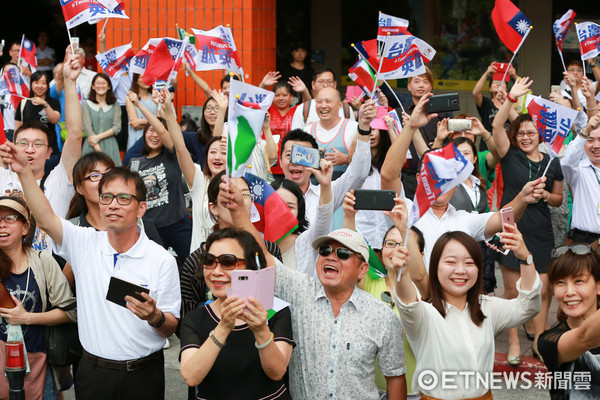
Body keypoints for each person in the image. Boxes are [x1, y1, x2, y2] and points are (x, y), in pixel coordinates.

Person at [0, 153, 181, 399]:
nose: (113, 204)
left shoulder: (162, 260)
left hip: (143, 375)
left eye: (123, 198)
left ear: (141, 208)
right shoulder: (84, 243)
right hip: (94, 374)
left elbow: (170, 327)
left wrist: (155, 316)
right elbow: (45, 218)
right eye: (107, 197)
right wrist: (24, 173)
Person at [220, 179, 407, 399]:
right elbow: (262, 256)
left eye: (343, 254)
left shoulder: (382, 316)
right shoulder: (300, 291)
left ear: (362, 269)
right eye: (325, 250)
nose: (331, 257)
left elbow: (395, 378)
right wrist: (239, 211)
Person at [393, 225, 541, 399]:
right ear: (435, 267)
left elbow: (529, 306)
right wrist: (402, 274)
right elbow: (408, 303)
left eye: (469, 263)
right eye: (450, 262)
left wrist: (525, 258)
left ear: (478, 269)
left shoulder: (487, 308)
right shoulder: (424, 313)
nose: (460, 270)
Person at [493, 77, 564, 364]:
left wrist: (544, 195)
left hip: (541, 231)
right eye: (520, 132)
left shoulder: (552, 161)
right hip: (511, 228)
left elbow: (558, 199)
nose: (525, 137)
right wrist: (511, 98)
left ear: (540, 135)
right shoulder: (508, 156)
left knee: (543, 290)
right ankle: (512, 341)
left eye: (531, 132)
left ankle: (539, 340)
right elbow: (497, 126)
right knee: (511, 291)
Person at [179, 228, 295, 399]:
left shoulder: (275, 310)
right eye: (209, 261)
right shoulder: (195, 319)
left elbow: (277, 372)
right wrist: (224, 327)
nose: (216, 271)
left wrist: (261, 330)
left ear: (251, 266)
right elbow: (191, 376)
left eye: (227, 262)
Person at [0, 51, 83, 253]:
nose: (29, 149)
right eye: (23, 143)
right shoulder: (3, 176)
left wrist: (69, 82)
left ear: (49, 153)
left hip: (49, 274)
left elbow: (74, 134)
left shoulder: (60, 180)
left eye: (38, 144)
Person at [343, 194, 419, 399]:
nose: (394, 250)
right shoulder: (368, 281)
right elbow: (351, 254)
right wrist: (349, 216)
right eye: (389, 244)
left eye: (400, 243)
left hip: (414, 391)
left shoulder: (422, 290)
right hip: (369, 390)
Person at [0, 196, 76, 399]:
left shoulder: (43, 261)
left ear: (25, 227)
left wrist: (27, 318)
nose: (2, 224)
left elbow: (71, 312)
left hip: (38, 361)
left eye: (9, 218)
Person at [278, 99, 375, 229]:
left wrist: (363, 128)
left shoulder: (328, 191)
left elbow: (359, 174)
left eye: (303, 156)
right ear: (280, 161)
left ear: (315, 160)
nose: (295, 162)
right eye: (290, 155)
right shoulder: (269, 194)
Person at [127, 90, 192, 266]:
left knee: (191, 269)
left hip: (178, 224)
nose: (154, 135)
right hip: (150, 229)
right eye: (150, 131)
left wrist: (140, 105)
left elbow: (163, 129)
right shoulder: (135, 162)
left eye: (157, 132)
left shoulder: (171, 155)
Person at [161, 88, 226, 251]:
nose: (217, 156)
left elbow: (218, 140)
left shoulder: (237, 184)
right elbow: (180, 147)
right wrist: (169, 112)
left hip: (228, 260)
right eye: (212, 153)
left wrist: (223, 110)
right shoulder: (198, 178)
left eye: (224, 153)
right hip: (199, 261)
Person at [538, 244, 600, 399]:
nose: (569, 292)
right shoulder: (548, 341)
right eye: (560, 282)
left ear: (598, 286)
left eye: (579, 281)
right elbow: (585, 337)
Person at [393, 66, 453, 199]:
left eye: (425, 82)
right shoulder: (400, 113)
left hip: (435, 174)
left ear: (430, 87)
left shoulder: (441, 113)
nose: (421, 85)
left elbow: (449, 143)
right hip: (408, 175)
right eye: (417, 81)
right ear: (409, 86)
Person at [271, 157, 334, 275]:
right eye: (277, 206)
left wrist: (325, 186)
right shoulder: (257, 242)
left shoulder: (307, 241)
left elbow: (324, 217)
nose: (283, 212)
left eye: (290, 207)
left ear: (299, 212)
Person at [304, 87, 358, 180]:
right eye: (319, 101)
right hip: (314, 188)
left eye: (328, 101)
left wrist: (346, 159)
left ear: (340, 105)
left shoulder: (353, 128)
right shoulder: (307, 131)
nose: (323, 105)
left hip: (345, 189)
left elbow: (367, 164)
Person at [562, 114, 600, 244]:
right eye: (590, 140)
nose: (596, 145)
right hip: (584, 242)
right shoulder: (578, 170)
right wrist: (585, 131)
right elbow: (566, 163)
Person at [15, 70, 62, 172]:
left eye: (43, 83)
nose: (40, 86)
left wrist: (44, 104)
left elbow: (54, 120)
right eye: (36, 82)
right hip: (28, 153)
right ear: (31, 84)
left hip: (50, 153)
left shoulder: (53, 102)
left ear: (47, 85)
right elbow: (17, 129)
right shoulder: (23, 103)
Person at [291, 68, 355, 130]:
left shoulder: (346, 109)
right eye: (321, 82)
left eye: (329, 82)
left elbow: (353, 135)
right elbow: (295, 137)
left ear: (335, 84)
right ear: (313, 84)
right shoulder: (303, 109)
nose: (325, 85)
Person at [81, 73, 122, 166]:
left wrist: (98, 138)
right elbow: (87, 127)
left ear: (108, 86)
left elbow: (117, 127)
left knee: (112, 173)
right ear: (93, 86)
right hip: (91, 145)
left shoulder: (115, 105)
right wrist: (96, 146)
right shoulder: (86, 104)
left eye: (103, 83)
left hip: (110, 145)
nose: (101, 86)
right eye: (98, 83)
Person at [126, 73, 157, 151]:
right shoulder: (130, 98)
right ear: (136, 80)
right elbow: (135, 124)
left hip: (155, 138)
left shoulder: (155, 97)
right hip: (136, 139)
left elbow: (161, 122)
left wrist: (140, 121)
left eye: (148, 76)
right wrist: (155, 123)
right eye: (142, 77)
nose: (146, 80)